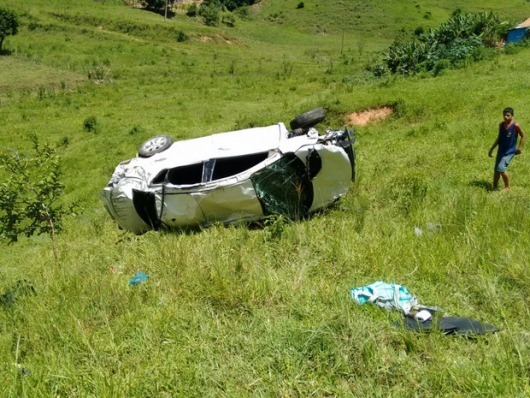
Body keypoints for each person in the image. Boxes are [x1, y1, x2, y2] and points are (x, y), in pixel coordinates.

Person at [488, 107, 526, 191]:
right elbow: (499, 138)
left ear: (512, 115)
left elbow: (523, 136)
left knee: (501, 168)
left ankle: (508, 187)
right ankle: (494, 186)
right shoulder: (501, 125)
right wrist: (492, 148)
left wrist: (520, 148)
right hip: (501, 150)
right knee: (496, 170)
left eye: (508, 115)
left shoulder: (515, 126)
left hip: (510, 151)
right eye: (504, 115)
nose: (506, 117)